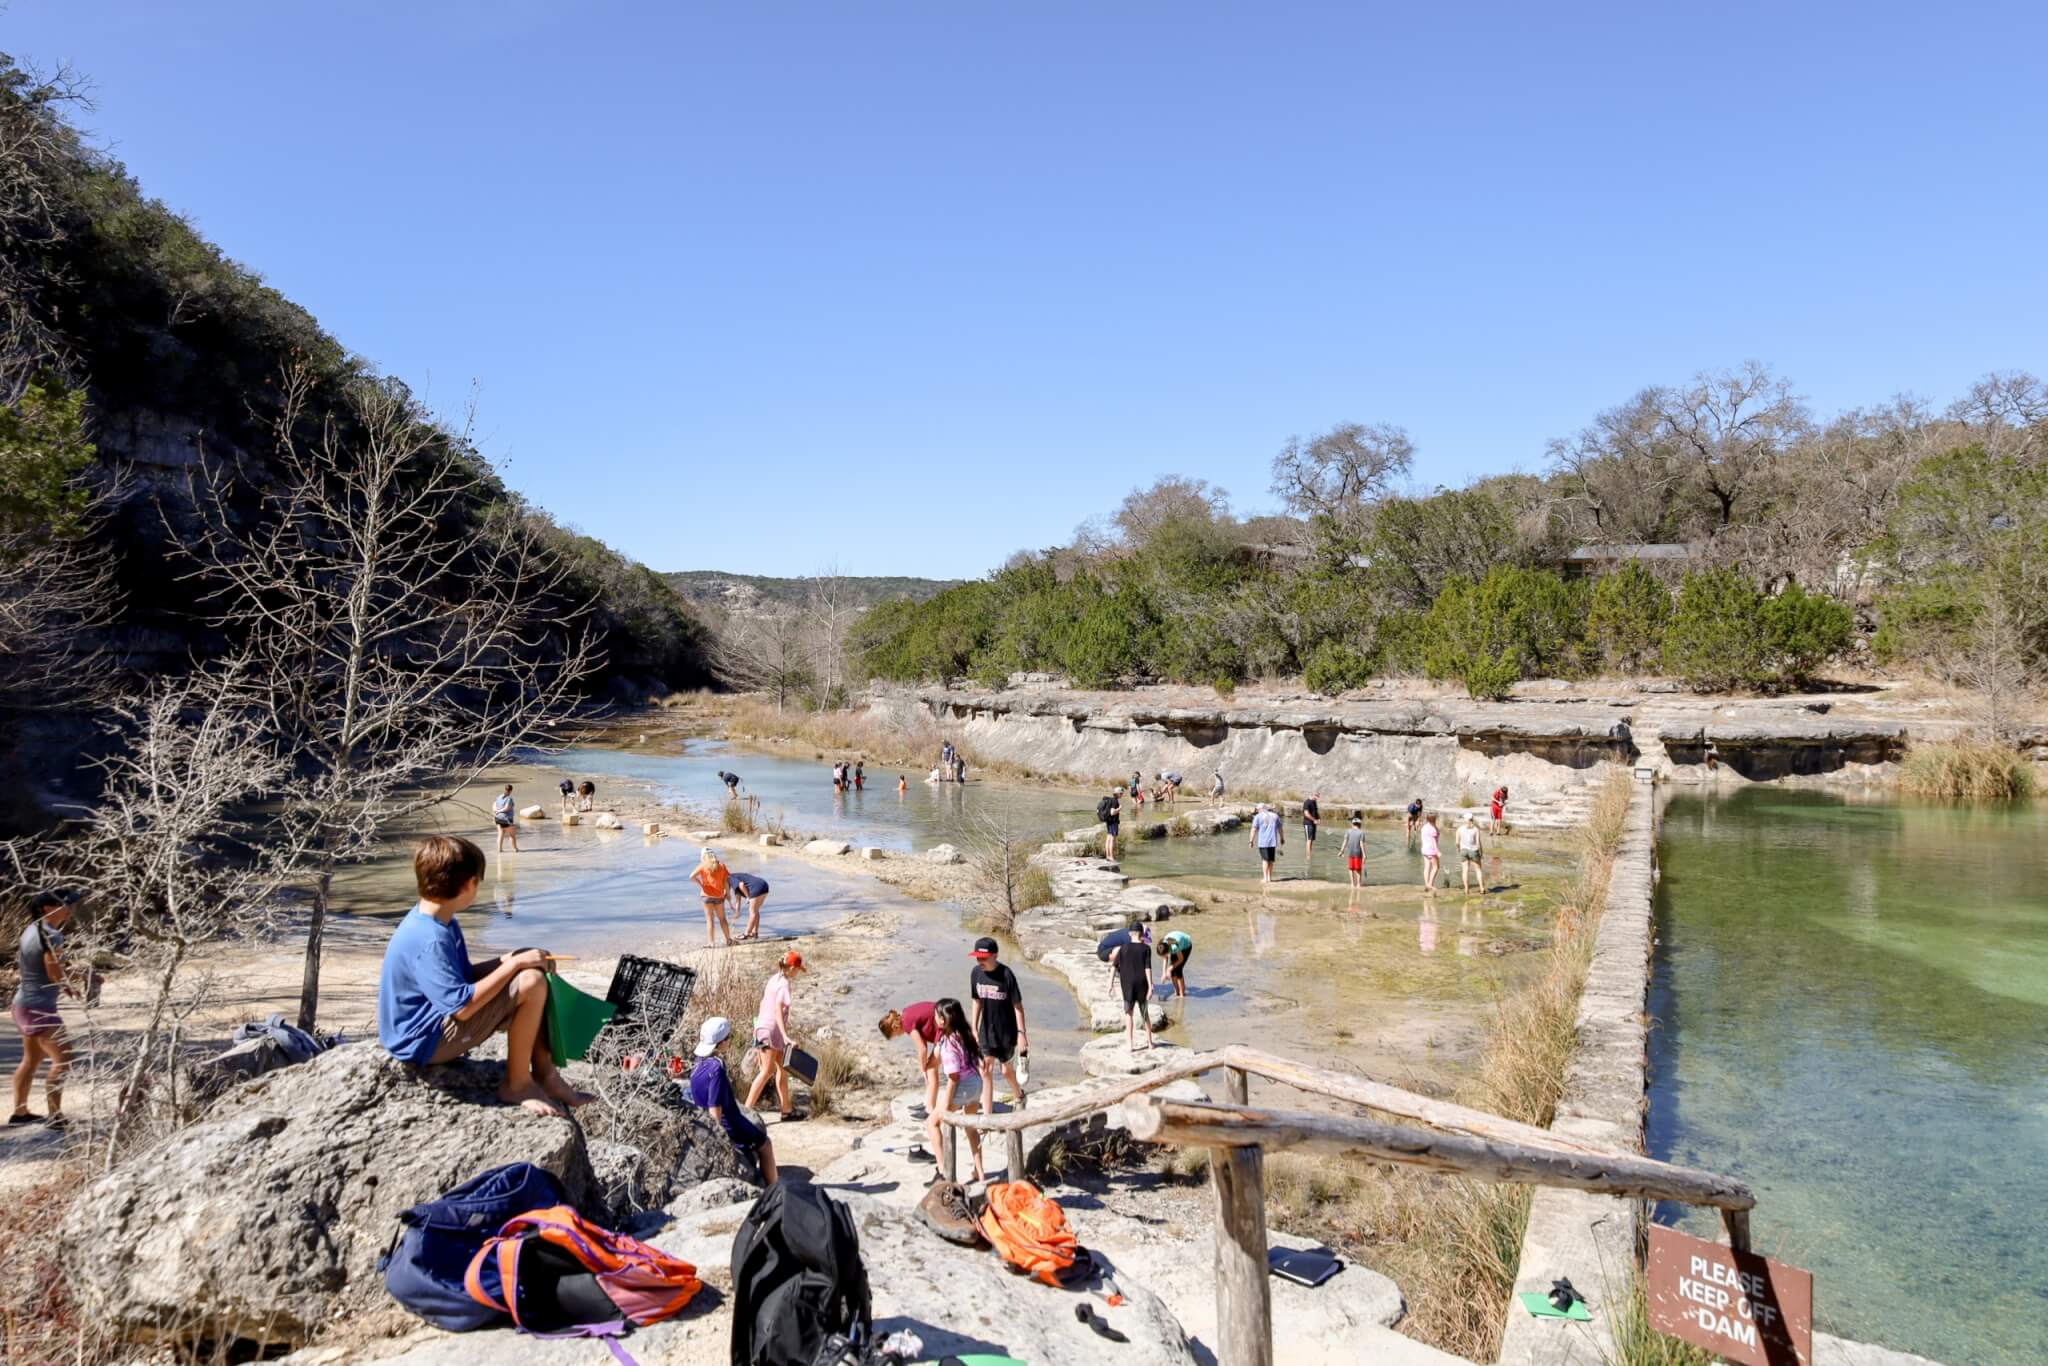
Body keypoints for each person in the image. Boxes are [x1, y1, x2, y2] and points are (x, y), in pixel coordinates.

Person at [377, 835, 590, 1116]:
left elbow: (462, 977)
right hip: (421, 1043)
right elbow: (462, 1007)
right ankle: (517, 1084)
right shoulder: (431, 939)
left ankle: (546, 1076)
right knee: (531, 982)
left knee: (531, 966)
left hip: (430, 1025)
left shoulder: (437, 920)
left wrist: (509, 959)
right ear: (468, 884)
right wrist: (513, 968)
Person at [10, 889, 78, 1129]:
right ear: (49, 909)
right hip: (39, 1008)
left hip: (23, 1004)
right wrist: (71, 984)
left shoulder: (31, 931)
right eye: (67, 904)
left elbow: (47, 968)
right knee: (64, 1059)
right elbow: (53, 973)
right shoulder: (52, 936)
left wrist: (70, 979)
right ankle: (55, 1117)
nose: (71, 909)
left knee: (31, 1060)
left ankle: (20, 1113)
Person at [688, 1017, 778, 1184]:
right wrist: (720, 1142)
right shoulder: (717, 1069)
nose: (729, 1040)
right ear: (721, 1043)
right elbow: (715, 1111)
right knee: (765, 1145)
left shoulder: (698, 1062)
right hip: (730, 1123)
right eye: (728, 1038)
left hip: (701, 1121)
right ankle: (775, 1189)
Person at [927, 999, 985, 1182]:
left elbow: (953, 1077)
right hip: (977, 1083)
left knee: (932, 1123)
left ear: (943, 1020)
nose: (934, 1018)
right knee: (970, 1128)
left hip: (963, 1087)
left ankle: (943, 1170)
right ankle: (980, 1172)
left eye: (937, 1015)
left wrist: (945, 1104)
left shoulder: (949, 1045)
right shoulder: (963, 1034)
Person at [968, 937, 1027, 1114]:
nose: (980, 962)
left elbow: (1018, 1006)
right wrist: (974, 1027)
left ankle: (1019, 1095)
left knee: (1006, 1071)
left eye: (983, 958)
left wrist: (1021, 1034)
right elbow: (976, 1001)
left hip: (1006, 1033)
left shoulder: (1006, 975)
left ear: (995, 956)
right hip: (986, 1030)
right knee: (985, 1069)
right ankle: (987, 1116)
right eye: (977, 958)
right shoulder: (976, 974)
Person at [745, 951, 806, 1122]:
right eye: (798, 970)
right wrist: (786, 1037)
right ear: (792, 968)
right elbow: (778, 1009)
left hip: (764, 1028)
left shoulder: (774, 979)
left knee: (782, 1069)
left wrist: (756, 1028)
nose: (798, 973)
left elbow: (763, 1004)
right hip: (772, 1031)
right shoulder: (784, 984)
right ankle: (745, 1111)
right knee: (766, 1072)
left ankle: (786, 1110)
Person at [879, 1001, 944, 1159]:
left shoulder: (907, 1023)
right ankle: (928, 1104)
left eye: (895, 1036)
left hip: (945, 1034)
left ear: (894, 1027)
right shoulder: (906, 1013)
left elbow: (921, 1048)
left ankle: (929, 1108)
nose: (899, 1036)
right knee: (931, 1068)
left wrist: (922, 1068)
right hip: (943, 1030)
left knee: (929, 1068)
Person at [1111, 924, 1156, 1052]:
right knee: (1144, 1014)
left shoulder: (1123, 948)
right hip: (1142, 985)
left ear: (1130, 933)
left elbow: (1114, 966)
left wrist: (1110, 984)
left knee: (1128, 1014)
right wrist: (1150, 986)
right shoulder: (1146, 949)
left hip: (1128, 985)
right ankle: (1150, 1043)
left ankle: (1130, 1045)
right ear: (1142, 934)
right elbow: (1148, 968)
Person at [690, 848, 737, 947]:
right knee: (722, 919)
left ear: (703, 857)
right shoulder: (721, 865)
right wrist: (728, 894)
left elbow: (691, 877)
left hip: (706, 896)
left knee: (710, 920)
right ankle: (728, 940)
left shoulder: (703, 865)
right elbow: (725, 881)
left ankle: (711, 943)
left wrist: (701, 884)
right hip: (719, 896)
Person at [728, 870, 770, 940]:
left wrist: (748, 897)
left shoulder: (730, 877)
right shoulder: (736, 879)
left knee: (752, 911)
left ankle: (746, 934)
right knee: (755, 910)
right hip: (764, 885)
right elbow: (738, 900)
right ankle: (755, 933)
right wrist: (737, 913)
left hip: (756, 887)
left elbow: (741, 884)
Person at [1155, 928, 1193, 1000]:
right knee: (1172, 972)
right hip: (1174, 945)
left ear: (1168, 950)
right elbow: (1165, 958)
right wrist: (1164, 973)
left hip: (1186, 946)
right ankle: (1177, 992)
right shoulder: (1162, 944)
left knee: (1178, 970)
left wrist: (1169, 968)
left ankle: (1182, 995)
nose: (1164, 957)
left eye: (1164, 955)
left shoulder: (1174, 946)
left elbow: (1180, 959)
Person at [1250, 802, 1283, 883]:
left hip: (1263, 842)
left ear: (1261, 809)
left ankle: (1265, 878)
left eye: (1257, 809)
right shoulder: (1275, 815)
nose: (1257, 811)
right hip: (1273, 841)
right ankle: (1269, 877)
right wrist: (1282, 838)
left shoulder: (1258, 816)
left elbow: (1254, 829)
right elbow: (1280, 828)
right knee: (1271, 860)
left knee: (1265, 860)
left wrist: (1251, 841)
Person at [1457, 814, 1485, 894]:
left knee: (1465, 870)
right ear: (1472, 819)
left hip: (1463, 851)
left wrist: (1459, 849)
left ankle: (1466, 889)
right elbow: (1478, 843)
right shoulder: (1476, 829)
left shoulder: (1460, 829)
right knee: (1478, 870)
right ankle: (1482, 888)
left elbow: (1457, 842)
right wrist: (1481, 853)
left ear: (1465, 820)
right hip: (1473, 851)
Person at [1341, 815, 1367, 889]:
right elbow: (1361, 844)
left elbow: (1345, 842)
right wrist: (1364, 854)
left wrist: (1341, 851)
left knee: (1350, 868)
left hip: (1350, 853)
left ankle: (1352, 884)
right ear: (1360, 824)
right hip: (1358, 853)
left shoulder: (1348, 831)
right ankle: (1358, 884)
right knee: (1358, 869)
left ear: (1352, 824)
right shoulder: (1361, 833)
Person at [492, 784, 520, 853]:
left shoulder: (499, 797)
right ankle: (515, 849)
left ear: (504, 789)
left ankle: (499, 849)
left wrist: (496, 811)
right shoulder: (509, 798)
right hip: (506, 819)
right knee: (512, 835)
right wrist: (499, 811)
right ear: (511, 791)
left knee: (500, 833)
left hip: (498, 818)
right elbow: (507, 808)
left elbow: (494, 805)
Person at [1097, 788, 1122, 861]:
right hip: (1113, 822)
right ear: (1118, 794)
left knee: (1108, 838)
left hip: (1109, 821)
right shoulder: (1115, 801)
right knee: (1112, 840)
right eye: (1121, 793)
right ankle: (1111, 857)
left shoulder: (1110, 800)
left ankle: (1108, 856)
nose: (1122, 795)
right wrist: (1119, 808)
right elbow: (1112, 812)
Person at [1419, 812, 1442, 891]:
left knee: (1427, 867)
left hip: (1424, 849)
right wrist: (1437, 851)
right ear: (1434, 819)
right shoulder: (1433, 829)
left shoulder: (1425, 827)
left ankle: (1426, 884)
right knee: (1436, 867)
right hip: (1431, 850)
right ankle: (1430, 884)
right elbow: (1433, 842)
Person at [1301, 793, 1321, 865]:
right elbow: (1306, 813)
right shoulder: (1307, 802)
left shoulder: (1314, 802)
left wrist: (1319, 818)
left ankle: (1309, 853)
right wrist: (1314, 820)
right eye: (1316, 797)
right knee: (1309, 839)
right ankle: (1308, 856)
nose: (1317, 799)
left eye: (1318, 797)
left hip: (1313, 823)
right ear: (1313, 795)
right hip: (1308, 823)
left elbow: (1316, 812)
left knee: (1311, 839)